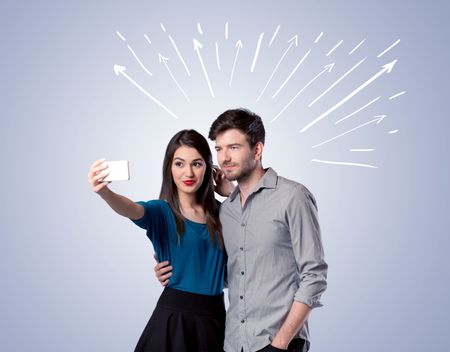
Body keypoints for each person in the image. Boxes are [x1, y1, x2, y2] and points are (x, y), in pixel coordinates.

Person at [155, 109, 328, 352]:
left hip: (278, 342)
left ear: (257, 150)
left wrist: (280, 343)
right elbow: (234, 274)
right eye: (219, 149)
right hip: (234, 343)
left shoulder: (292, 197)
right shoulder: (227, 211)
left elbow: (315, 275)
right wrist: (177, 268)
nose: (224, 157)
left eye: (233, 147)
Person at [87, 129, 233, 352]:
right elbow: (132, 209)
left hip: (215, 319)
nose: (188, 172)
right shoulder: (161, 212)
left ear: (209, 168)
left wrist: (231, 194)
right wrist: (105, 193)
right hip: (173, 321)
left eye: (197, 163)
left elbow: (254, 240)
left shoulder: (225, 213)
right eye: (179, 163)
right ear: (169, 168)